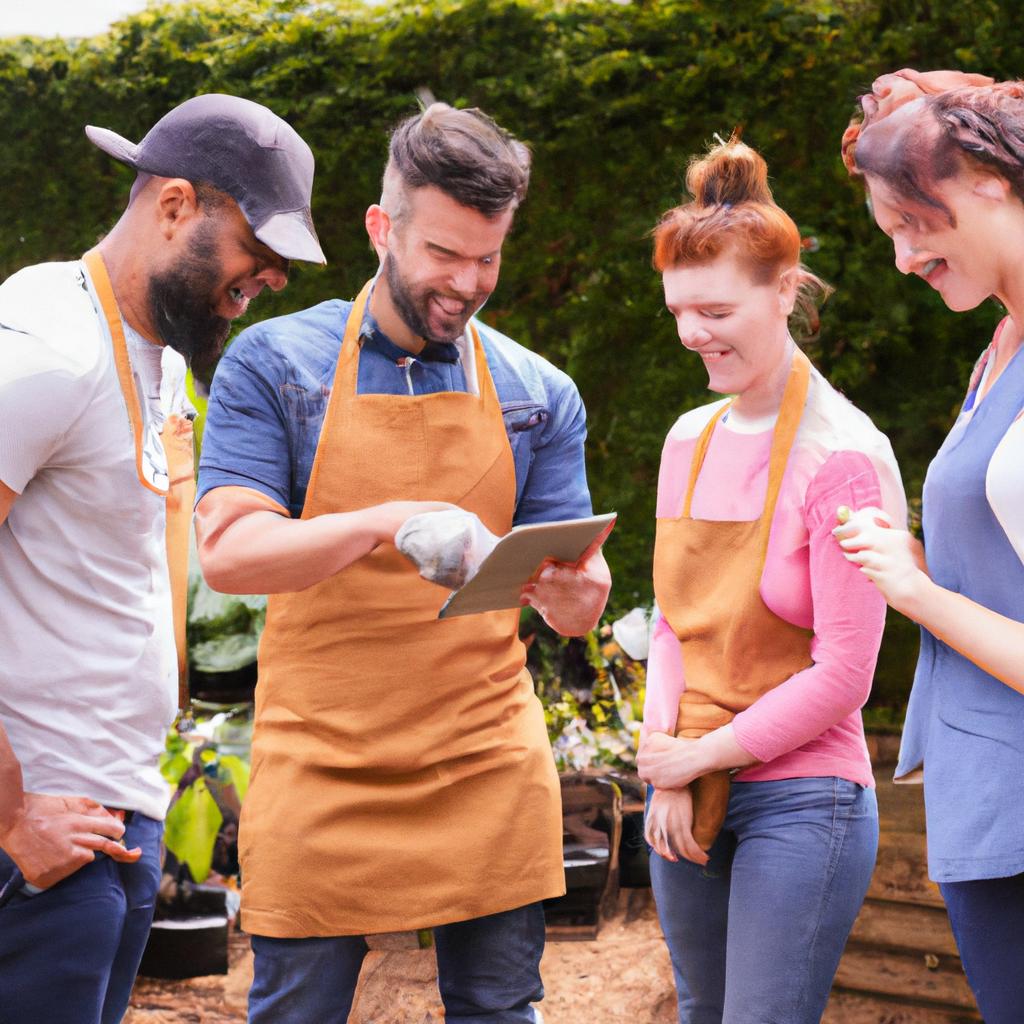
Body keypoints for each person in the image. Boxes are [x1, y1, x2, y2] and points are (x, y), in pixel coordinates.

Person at [194, 102, 611, 1023]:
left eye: (488, 258)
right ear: (383, 230)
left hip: (482, 757)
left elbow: (574, 601)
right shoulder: (278, 364)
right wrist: (386, 520)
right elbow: (229, 554)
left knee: (500, 1009)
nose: (466, 282)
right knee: (296, 1011)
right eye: (444, 254)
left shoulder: (540, 395)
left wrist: (581, 592)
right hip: (322, 758)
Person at [0, 94, 323, 1024]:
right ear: (175, 206)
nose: (271, 278)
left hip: (114, 819)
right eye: (257, 253)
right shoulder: (50, 353)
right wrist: (9, 814)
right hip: (39, 836)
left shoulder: (160, 359)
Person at [635, 137, 906, 1023]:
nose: (690, 334)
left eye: (714, 310)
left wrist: (699, 754)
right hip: (687, 786)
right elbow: (673, 624)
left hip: (804, 799)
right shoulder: (687, 439)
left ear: (785, 291)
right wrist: (663, 761)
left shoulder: (846, 457)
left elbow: (845, 677)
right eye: (678, 310)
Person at [837, 68, 1024, 1024]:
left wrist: (912, 587)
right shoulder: (996, 351)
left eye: (916, 223)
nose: (905, 259)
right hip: (989, 806)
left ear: (992, 181)